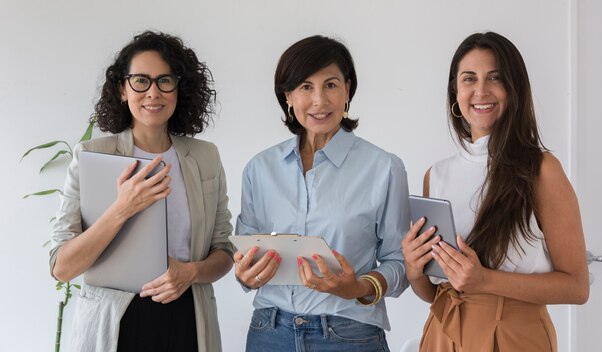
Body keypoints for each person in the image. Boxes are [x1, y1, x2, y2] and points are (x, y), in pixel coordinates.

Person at [401, 31, 589, 351]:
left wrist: (486, 281)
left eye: (495, 78)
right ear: (455, 93)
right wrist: (414, 268)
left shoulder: (541, 170)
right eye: (469, 79)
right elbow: (436, 291)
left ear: (514, 90)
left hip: (514, 336)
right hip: (442, 334)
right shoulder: (437, 175)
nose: (481, 91)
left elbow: (576, 287)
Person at [49, 31, 234, 352]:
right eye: (140, 81)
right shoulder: (92, 155)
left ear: (179, 89)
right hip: (114, 324)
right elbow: (62, 267)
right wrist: (123, 207)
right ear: (122, 89)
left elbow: (224, 252)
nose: (153, 92)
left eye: (165, 80)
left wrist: (190, 272)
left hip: (188, 317)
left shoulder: (206, 157)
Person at [234, 35, 410, 352]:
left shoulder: (384, 168)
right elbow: (245, 260)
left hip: (349, 335)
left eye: (330, 85)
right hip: (269, 333)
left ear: (347, 90)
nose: (319, 100)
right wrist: (247, 275)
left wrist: (358, 286)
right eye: (305, 87)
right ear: (287, 96)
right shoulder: (259, 169)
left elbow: (400, 261)